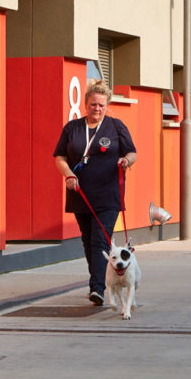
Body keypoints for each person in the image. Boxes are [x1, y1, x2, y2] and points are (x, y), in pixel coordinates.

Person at [54, 81, 136, 305]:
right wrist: (69, 175)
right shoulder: (72, 128)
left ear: (106, 105)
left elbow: (132, 152)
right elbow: (59, 158)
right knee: (88, 240)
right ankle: (100, 281)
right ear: (86, 104)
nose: (96, 109)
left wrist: (126, 160)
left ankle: (97, 288)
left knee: (100, 240)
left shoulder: (116, 126)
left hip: (109, 194)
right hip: (80, 194)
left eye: (101, 105)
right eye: (92, 104)